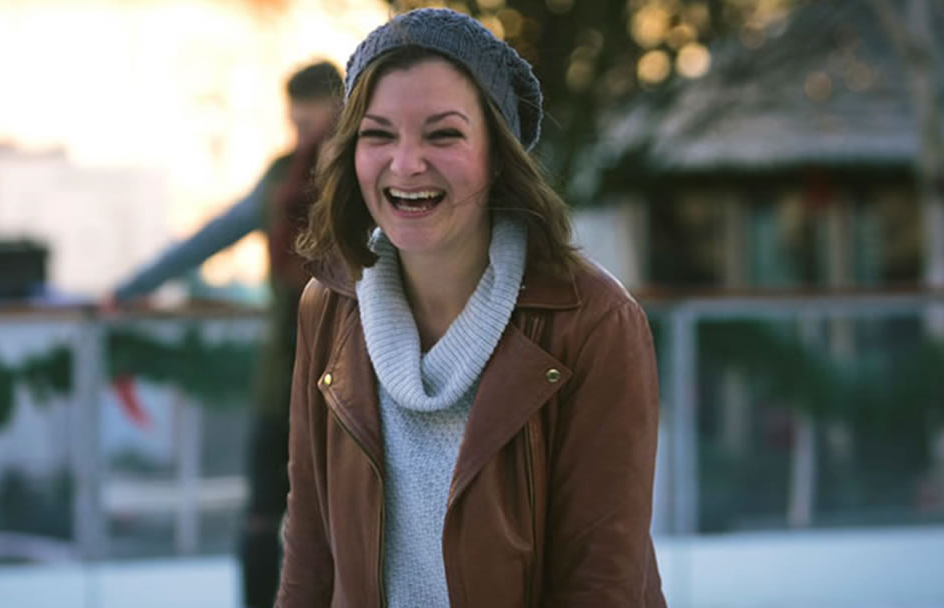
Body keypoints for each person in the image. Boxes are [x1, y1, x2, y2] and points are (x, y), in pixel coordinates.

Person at [277, 8, 666, 607]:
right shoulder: (327, 308)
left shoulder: (594, 323)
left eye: (443, 134)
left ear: (498, 154)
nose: (406, 164)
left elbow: (600, 587)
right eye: (378, 134)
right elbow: (309, 563)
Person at [110, 60, 342, 608]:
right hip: (285, 381)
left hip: (348, 383)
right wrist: (130, 290)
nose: (303, 138)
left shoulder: (364, 174)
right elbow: (210, 238)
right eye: (297, 125)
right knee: (266, 513)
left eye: (310, 123)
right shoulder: (282, 181)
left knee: (338, 517)